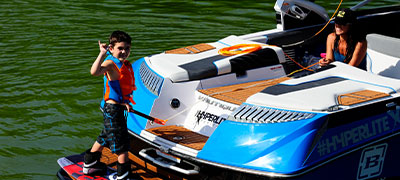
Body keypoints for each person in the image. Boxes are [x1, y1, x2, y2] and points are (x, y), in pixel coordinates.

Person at [84, 30, 137, 180]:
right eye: (120, 48)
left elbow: (120, 88)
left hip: (117, 107)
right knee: (122, 142)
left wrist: (126, 102)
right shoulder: (110, 63)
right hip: (112, 108)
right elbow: (94, 72)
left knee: (106, 135)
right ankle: (123, 175)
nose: (124, 52)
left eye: (127, 48)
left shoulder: (124, 64)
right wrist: (101, 53)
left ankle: (90, 164)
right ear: (111, 49)